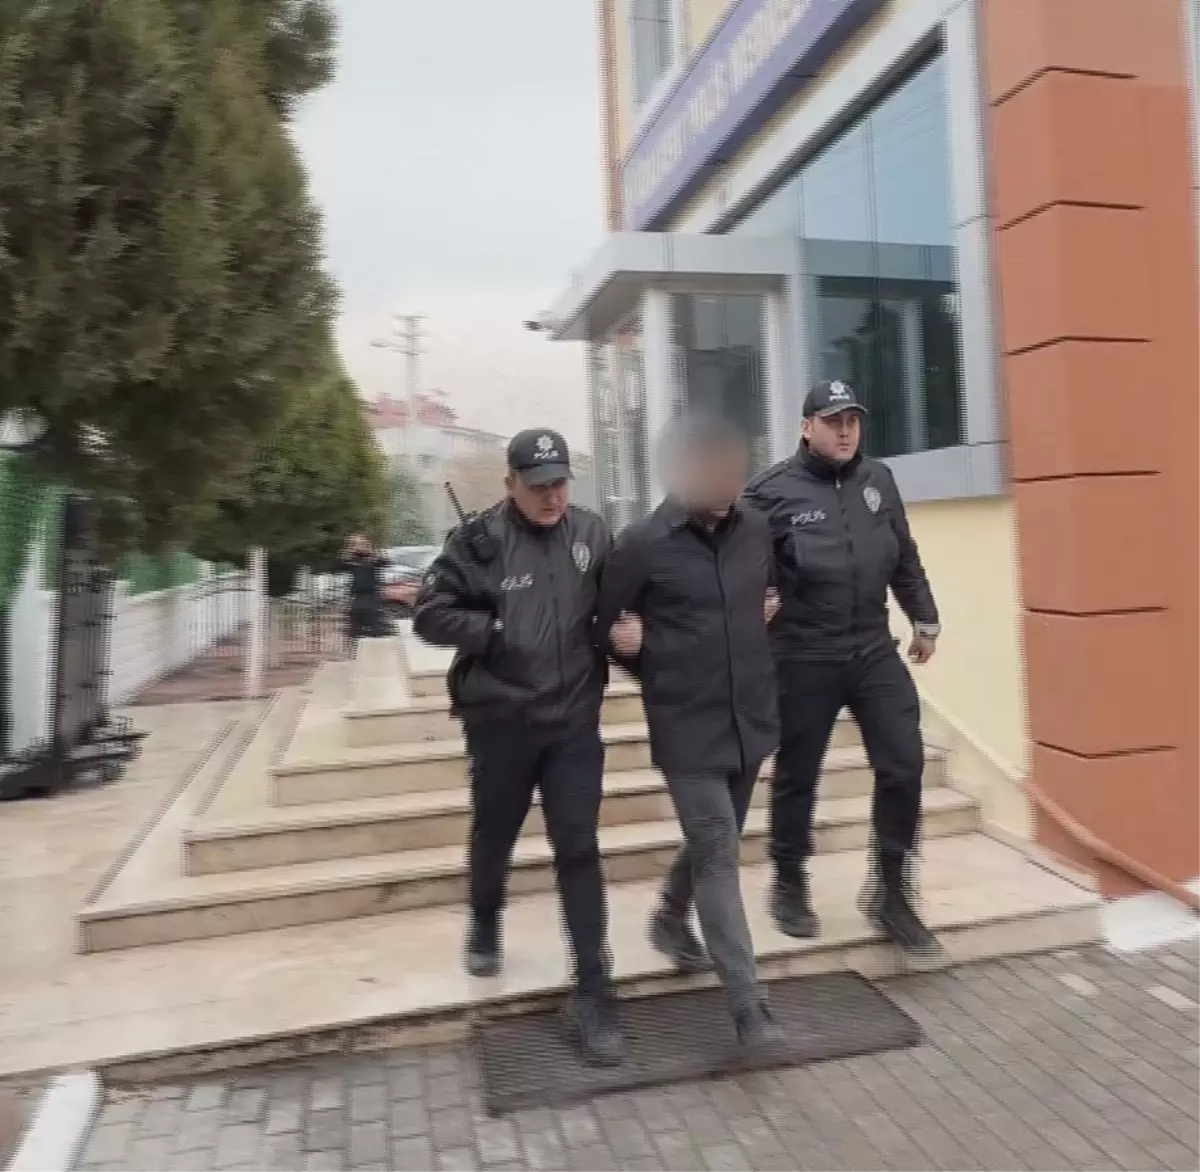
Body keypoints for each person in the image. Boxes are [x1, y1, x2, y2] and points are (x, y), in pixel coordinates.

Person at [412, 427, 622, 1067]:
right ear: (511, 485)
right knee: (495, 833)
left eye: (560, 484)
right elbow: (427, 613)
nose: (552, 496)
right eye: (538, 487)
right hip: (502, 722)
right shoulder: (478, 542)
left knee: (578, 848)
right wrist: (495, 629)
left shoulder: (592, 534)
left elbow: (618, 608)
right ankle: (485, 917)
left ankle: (593, 988)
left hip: (573, 723)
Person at [595, 415, 784, 1052]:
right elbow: (602, 627)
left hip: (749, 717)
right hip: (685, 723)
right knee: (718, 849)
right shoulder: (641, 544)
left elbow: (776, 590)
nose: (730, 481)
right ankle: (749, 1006)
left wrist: (768, 611)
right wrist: (642, 654)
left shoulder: (756, 528)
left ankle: (670, 918)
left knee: (715, 841)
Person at [742, 380, 944, 963]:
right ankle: (788, 880)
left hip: (871, 648)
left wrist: (925, 619)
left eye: (852, 420)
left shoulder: (878, 480)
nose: (845, 430)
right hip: (803, 653)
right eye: (833, 421)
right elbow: (738, 565)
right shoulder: (769, 493)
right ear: (806, 427)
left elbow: (903, 555)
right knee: (798, 772)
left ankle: (890, 890)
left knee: (903, 761)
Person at [339, 535, 389, 639]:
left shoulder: (372, 559)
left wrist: (371, 552)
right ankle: (358, 636)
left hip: (372, 594)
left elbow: (385, 562)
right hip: (357, 595)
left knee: (375, 623)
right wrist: (349, 550)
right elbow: (341, 564)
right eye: (357, 544)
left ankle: (375, 634)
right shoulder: (352, 559)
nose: (360, 546)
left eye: (362, 544)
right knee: (355, 625)